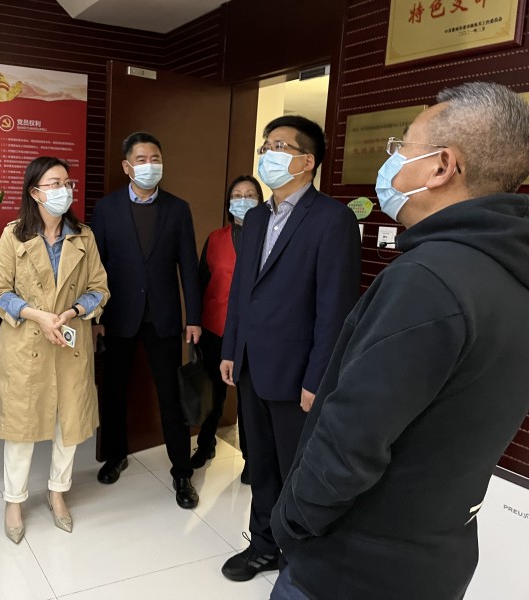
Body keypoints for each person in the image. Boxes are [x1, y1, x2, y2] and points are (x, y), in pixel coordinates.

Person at [270, 82, 529, 600]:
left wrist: (292, 522)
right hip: (433, 558)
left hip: (352, 567)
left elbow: (351, 439)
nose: (391, 161)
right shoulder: (509, 270)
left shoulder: (429, 279)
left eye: (402, 146)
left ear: (442, 166)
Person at [219, 116, 361, 582]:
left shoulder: (332, 219)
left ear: (306, 161)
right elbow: (242, 291)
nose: (267, 154)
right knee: (259, 464)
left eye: (278, 146)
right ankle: (263, 545)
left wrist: (318, 378)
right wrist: (231, 349)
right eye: (265, 145)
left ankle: (301, 556)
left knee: (297, 469)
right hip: (252, 366)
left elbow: (335, 308)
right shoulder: (257, 217)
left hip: (299, 373)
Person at [0, 156, 109, 544]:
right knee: (21, 428)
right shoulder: (14, 235)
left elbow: (99, 289)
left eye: (67, 183)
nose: (64, 190)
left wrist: (73, 312)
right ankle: (14, 500)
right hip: (26, 344)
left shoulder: (83, 236)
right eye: (55, 184)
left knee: (67, 425)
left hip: (70, 342)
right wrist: (38, 315)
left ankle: (58, 493)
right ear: (35, 192)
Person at [91, 131, 202, 509]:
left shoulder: (178, 209)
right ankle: (115, 455)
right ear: (127, 166)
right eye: (141, 159)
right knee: (114, 391)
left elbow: (189, 267)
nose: (150, 165)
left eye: (155, 158)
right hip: (118, 317)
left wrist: (193, 317)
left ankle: (182, 471)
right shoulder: (106, 209)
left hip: (164, 318)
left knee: (171, 396)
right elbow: (96, 269)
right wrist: (96, 318)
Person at [191, 175, 263, 483]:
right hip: (215, 329)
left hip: (254, 332)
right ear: (228, 202)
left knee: (249, 399)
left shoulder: (270, 238)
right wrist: (193, 322)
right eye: (237, 195)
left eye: (250, 195)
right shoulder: (215, 239)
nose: (243, 200)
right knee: (213, 392)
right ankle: (205, 443)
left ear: (260, 202)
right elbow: (200, 283)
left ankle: (251, 457)